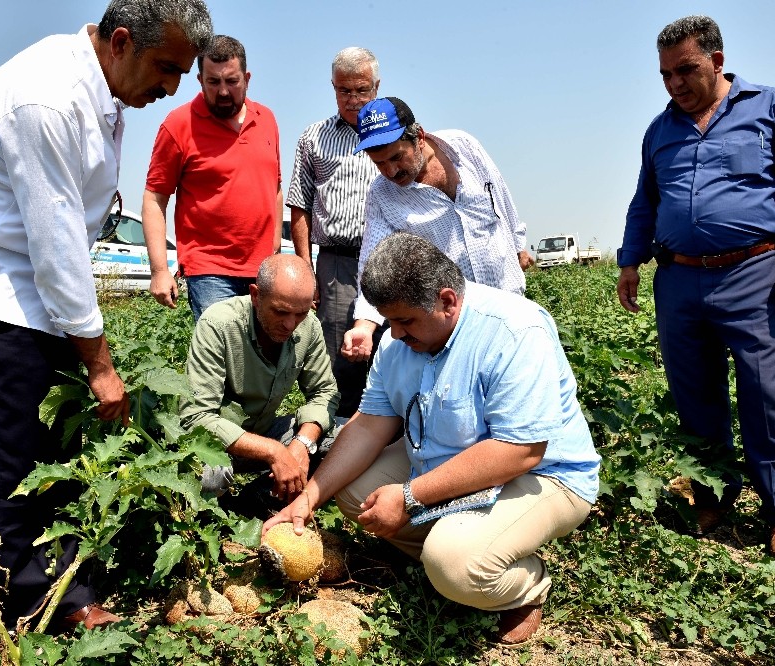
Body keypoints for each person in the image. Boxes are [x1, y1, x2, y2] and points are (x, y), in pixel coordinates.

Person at [0, 0, 213, 633]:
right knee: (11, 463)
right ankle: (22, 617)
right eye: (167, 68)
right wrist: (101, 366)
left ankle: (65, 595)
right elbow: (55, 243)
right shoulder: (47, 98)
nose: (172, 88)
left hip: (42, 298)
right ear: (122, 42)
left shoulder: (101, 90)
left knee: (50, 458)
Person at [264, 233, 600, 645]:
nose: (395, 334)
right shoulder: (400, 339)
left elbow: (520, 452)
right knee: (354, 494)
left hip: (543, 474)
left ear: (447, 301)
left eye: (406, 321)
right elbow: (369, 425)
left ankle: (524, 584)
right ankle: (458, 544)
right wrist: (309, 498)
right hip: (448, 456)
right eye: (389, 321)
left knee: (454, 565)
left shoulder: (514, 330)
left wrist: (409, 497)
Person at [615, 15, 775, 564]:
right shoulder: (659, 130)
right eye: (665, 75)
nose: (675, 84)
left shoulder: (770, 107)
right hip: (679, 279)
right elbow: (646, 201)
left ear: (716, 61)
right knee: (695, 394)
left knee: (767, 395)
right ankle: (714, 494)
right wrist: (630, 261)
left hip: (752, 275)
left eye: (686, 70)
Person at [342, 97, 532, 365]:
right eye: (379, 164)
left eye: (397, 157)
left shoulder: (464, 147)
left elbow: (500, 194)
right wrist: (364, 326)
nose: (391, 171)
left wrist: (517, 244)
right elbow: (372, 265)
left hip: (509, 301)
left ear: (419, 137)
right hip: (456, 322)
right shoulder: (382, 194)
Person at [179, 254, 341, 505]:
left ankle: (257, 499)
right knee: (209, 476)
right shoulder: (218, 324)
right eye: (280, 312)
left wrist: (302, 443)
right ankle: (210, 515)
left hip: (265, 430)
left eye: (300, 313)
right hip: (217, 443)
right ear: (255, 296)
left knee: (344, 439)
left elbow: (324, 391)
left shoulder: (308, 326)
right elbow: (197, 417)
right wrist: (274, 452)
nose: (290, 324)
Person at [142, 34, 283, 320]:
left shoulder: (267, 119)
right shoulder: (178, 124)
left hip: (263, 269)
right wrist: (159, 270)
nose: (223, 92)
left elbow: (276, 188)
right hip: (209, 271)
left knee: (264, 348)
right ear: (200, 80)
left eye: (232, 81)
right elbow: (154, 198)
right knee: (223, 345)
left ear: (247, 78)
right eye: (213, 82)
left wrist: (275, 247)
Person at [286, 47, 382, 417]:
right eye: (345, 91)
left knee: (393, 348)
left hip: (386, 260)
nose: (353, 99)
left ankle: (392, 435)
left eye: (361, 90)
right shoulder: (315, 137)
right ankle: (335, 433)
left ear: (376, 87)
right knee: (340, 356)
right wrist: (305, 268)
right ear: (333, 87)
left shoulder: (392, 133)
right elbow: (300, 205)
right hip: (338, 264)